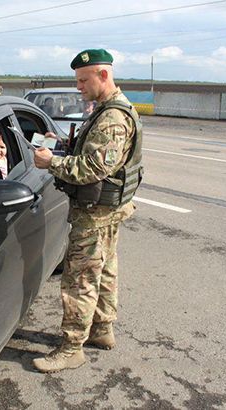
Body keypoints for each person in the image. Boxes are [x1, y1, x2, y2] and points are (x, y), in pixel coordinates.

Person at [32, 49, 143, 373]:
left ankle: (71, 348)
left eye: (83, 80)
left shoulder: (112, 119)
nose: (79, 87)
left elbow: (92, 169)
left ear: (103, 75)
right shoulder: (107, 110)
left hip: (94, 216)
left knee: (80, 281)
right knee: (105, 272)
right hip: (107, 212)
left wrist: (50, 161)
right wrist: (64, 145)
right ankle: (102, 330)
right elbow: (94, 155)